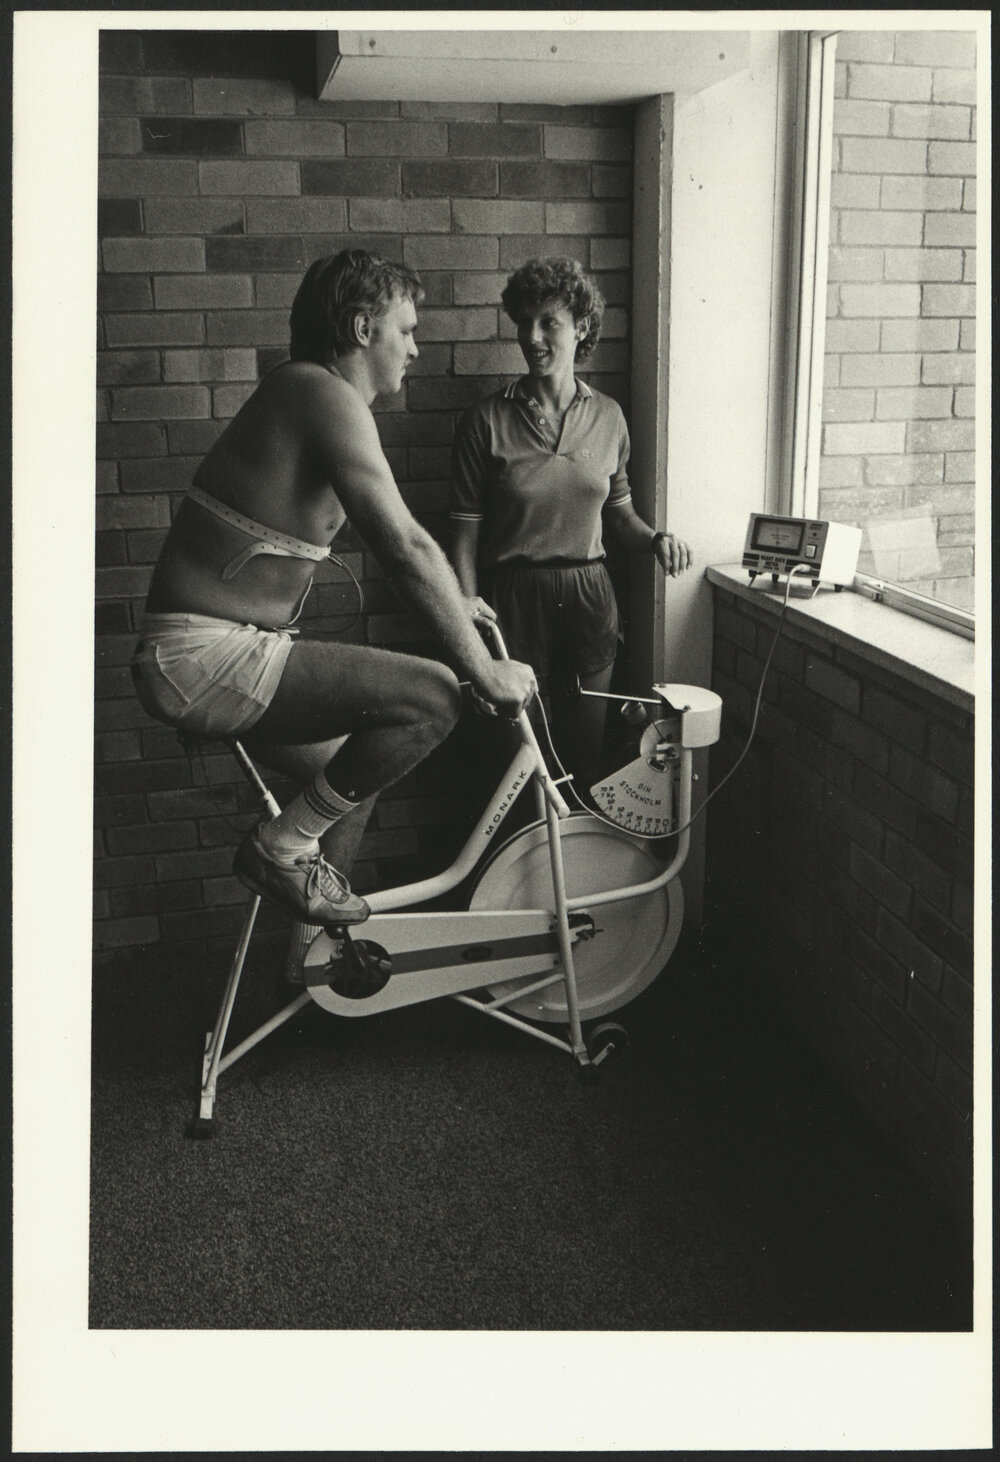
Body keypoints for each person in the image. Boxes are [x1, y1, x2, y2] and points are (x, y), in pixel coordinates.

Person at [131, 249, 537, 935]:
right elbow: (403, 543)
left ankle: (313, 959)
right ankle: (279, 850)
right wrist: (482, 668)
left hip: (208, 654)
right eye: (404, 331)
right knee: (435, 697)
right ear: (360, 328)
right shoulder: (322, 394)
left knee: (348, 784)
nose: (415, 348)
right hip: (202, 655)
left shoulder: (306, 395)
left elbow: (385, 542)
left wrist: (454, 603)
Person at [449, 256, 692, 795]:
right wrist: (466, 613)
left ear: (580, 327)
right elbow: (463, 534)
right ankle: (524, 874)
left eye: (548, 323)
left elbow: (620, 517)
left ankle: (577, 873)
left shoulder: (608, 417)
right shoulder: (484, 421)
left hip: (588, 596)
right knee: (520, 763)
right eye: (524, 323)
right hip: (512, 601)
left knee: (584, 758)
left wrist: (655, 539)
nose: (532, 337)